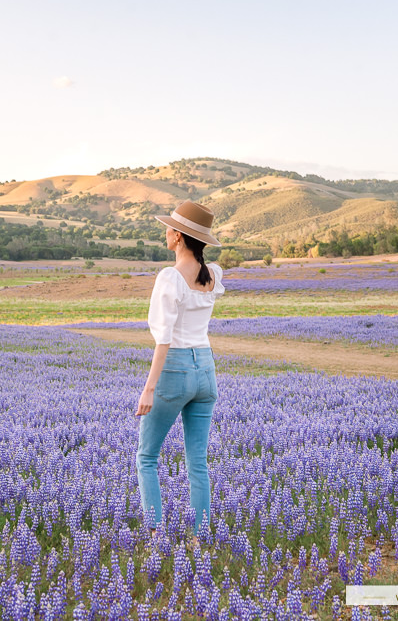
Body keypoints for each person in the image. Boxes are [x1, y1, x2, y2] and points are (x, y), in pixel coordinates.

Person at [135, 200, 224, 546]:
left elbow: (163, 339)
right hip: (206, 369)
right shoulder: (213, 274)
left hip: (175, 368)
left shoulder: (170, 277)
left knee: (146, 456)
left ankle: (157, 536)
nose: (166, 231)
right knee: (197, 462)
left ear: (180, 237)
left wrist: (149, 388)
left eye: (171, 227)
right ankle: (199, 539)